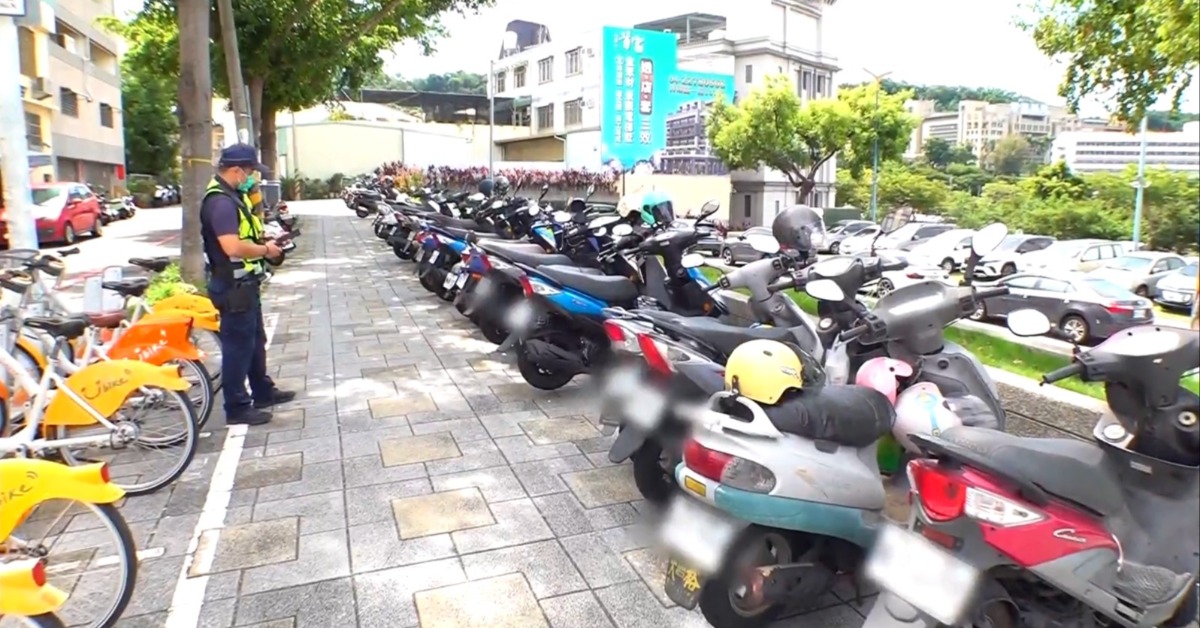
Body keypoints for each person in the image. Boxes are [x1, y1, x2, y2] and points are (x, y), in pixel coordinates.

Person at [200, 144, 295, 426]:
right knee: (238, 347)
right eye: (251, 171)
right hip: (232, 286)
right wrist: (265, 250)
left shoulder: (233, 196)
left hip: (245, 283)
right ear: (236, 170)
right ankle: (237, 407)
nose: (253, 177)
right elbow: (231, 246)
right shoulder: (220, 202)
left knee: (254, 341)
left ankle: (262, 391)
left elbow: (243, 235)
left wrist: (266, 240)